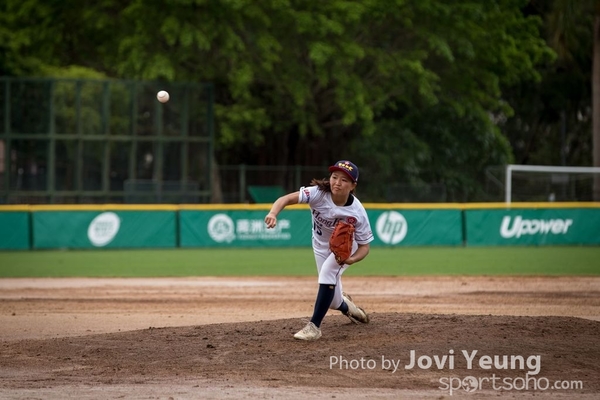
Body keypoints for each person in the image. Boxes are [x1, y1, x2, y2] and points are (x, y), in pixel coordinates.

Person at [264, 160, 374, 341]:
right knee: (332, 301)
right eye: (334, 177)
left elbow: (365, 247)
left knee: (327, 273)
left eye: (344, 180)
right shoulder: (317, 194)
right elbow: (285, 199)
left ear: (353, 185)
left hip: (344, 250)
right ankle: (348, 307)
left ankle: (314, 327)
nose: (337, 182)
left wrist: (352, 259)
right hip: (320, 246)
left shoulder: (357, 212)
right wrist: (273, 213)